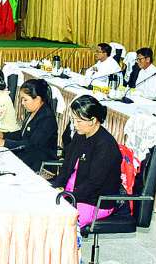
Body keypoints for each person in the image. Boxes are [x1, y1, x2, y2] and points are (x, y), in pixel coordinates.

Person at [50, 95, 123, 228]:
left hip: (94, 201)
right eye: (73, 120)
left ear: (93, 120)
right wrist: (56, 186)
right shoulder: (80, 135)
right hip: (72, 192)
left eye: (78, 121)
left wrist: (69, 196)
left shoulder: (106, 145)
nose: (74, 125)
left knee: (58, 223)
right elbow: (66, 166)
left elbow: (94, 184)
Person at [0, 79, 58, 172]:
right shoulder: (33, 111)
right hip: (27, 157)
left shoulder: (47, 118)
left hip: (39, 166)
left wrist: (5, 143)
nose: (22, 103)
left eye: (25, 100)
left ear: (38, 99)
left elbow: (32, 145)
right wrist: (4, 135)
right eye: (21, 99)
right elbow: (22, 134)